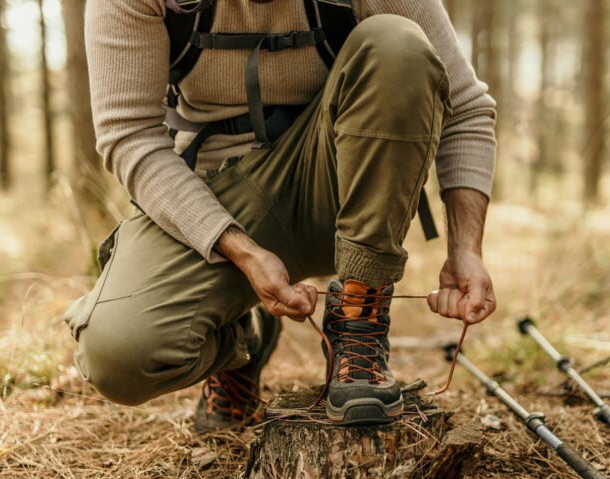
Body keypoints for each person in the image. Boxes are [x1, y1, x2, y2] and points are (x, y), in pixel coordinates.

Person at [64, 0, 498, 432]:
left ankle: (359, 318)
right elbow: (129, 136)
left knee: (398, 45)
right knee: (117, 356)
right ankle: (243, 336)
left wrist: (465, 250)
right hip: (213, 196)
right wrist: (242, 251)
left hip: (342, 185)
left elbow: (466, 108)